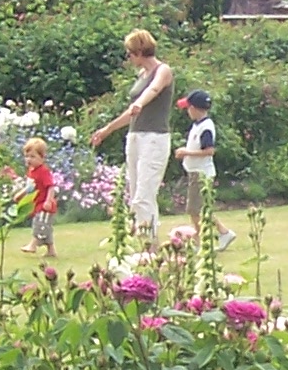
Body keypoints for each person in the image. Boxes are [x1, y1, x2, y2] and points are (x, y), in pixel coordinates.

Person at [89, 29, 172, 238]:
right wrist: (107, 129)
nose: (129, 58)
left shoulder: (163, 70)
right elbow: (131, 113)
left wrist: (140, 103)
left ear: (139, 51)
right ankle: (143, 242)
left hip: (154, 138)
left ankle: (150, 245)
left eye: (130, 53)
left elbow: (154, 90)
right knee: (135, 194)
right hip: (135, 136)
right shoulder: (141, 75)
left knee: (144, 196)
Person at [176, 89, 232, 248]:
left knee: (194, 210)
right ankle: (223, 232)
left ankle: (200, 241)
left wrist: (186, 153)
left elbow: (209, 151)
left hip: (201, 173)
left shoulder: (206, 127)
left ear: (194, 108)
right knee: (201, 209)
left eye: (188, 108)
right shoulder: (197, 125)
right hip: (195, 172)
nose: (187, 111)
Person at [22, 137, 58, 255]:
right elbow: (30, 187)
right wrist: (21, 195)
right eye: (27, 156)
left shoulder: (43, 171)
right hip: (37, 204)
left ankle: (32, 245)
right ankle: (51, 250)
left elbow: (50, 186)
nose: (29, 159)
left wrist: (48, 201)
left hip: (44, 206)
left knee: (40, 225)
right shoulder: (31, 171)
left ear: (42, 158)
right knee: (46, 227)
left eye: (33, 156)